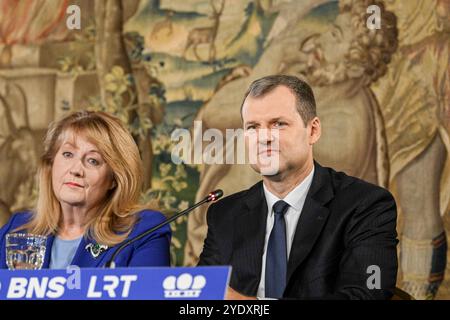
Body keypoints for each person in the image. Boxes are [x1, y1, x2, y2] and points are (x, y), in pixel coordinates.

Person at [198, 75, 398, 299]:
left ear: (313, 131)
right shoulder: (224, 214)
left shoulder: (366, 206)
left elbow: (370, 293)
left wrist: (249, 306)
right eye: (253, 127)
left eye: (278, 124)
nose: (263, 137)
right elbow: (204, 296)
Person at [0, 110, 171, 269]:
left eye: (92, 161)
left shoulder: (143, 232)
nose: (76, 170)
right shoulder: (18, 228)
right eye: (68, 154)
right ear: (51, 165)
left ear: (114, 179)